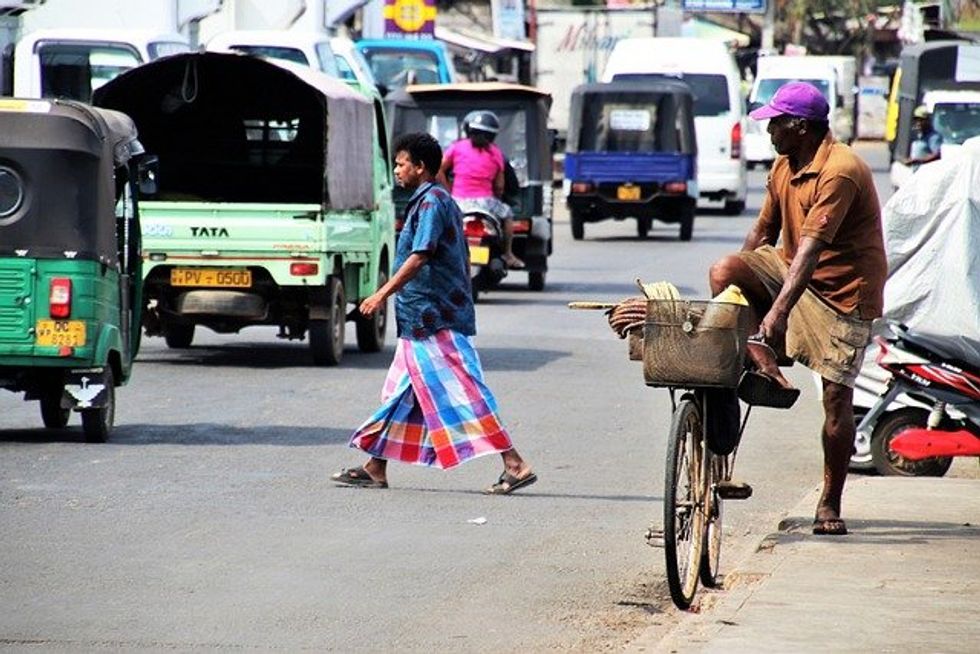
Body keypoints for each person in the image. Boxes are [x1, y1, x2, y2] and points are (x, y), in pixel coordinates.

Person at [708, 82, 887, 536]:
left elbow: (809, 251)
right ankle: (757, 360)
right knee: (725, 269)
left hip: (842, 292)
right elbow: (762, 233)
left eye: (775, 122)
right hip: (788, 270)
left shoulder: (840, 171)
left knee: (835, 401)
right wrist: (730, 303)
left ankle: (830, 500)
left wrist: (777, 314)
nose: (768, 130)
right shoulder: (784, 163)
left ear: (800, 127)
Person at [331, 132, 537, 495]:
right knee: (400, 392)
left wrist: (381, 293)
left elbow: (420, 254)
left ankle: (515, 464)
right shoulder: (428, 200)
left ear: (420, 167)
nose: (396, 170)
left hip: (435, 319)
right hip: (419, 319)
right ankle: (375, 467)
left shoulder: (432, 203)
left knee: (465, 391)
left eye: (401, 164)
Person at [437, 110, 525, 270]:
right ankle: (508, 253)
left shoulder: (456, 148)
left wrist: (448, 191)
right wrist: (498, 197)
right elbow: (499, 186)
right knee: (508, 214)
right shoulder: (496, 152)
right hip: (486, 204)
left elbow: (439, 170)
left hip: (458, 202)